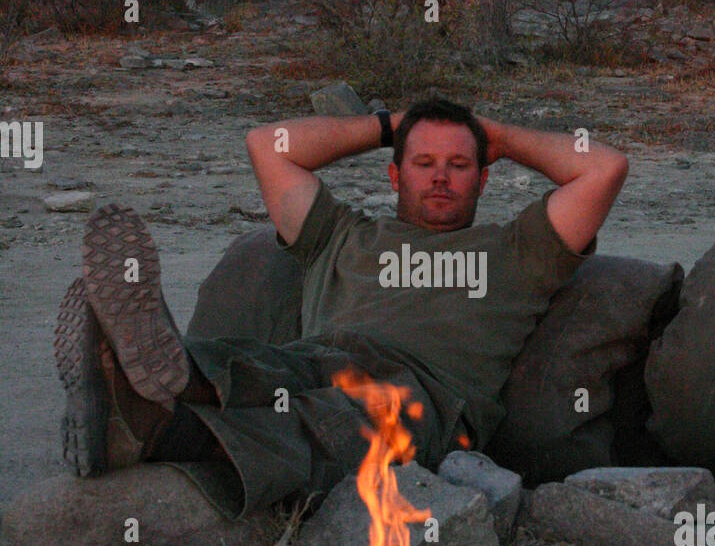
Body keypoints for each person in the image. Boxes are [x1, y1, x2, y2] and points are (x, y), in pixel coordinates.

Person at [55, 96, 628, 519]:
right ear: (394, 172)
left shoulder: (516, 251)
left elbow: (605, 168)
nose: (440, 178)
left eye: (458, 165)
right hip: (314, 361)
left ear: (482, 179)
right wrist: (385, 126)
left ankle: (146, 419)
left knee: (334, 424)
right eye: (422, 160)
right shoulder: (344, 234)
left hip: (423, 399)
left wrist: (499, 133)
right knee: (247, 365)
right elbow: (267, 144)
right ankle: (143, 376)